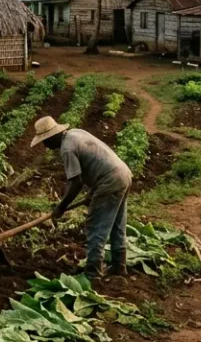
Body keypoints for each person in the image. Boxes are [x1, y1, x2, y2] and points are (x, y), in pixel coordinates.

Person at [30, 116, 133, 276]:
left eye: (44, 140)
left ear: (51, 136)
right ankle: (119, 265)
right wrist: (92, 193)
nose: (44, 145)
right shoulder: (75, 133)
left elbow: (76, 183)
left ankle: (93, 271)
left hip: (109, 180)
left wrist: (61, 207)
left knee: (96, 224)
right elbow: (96, 162)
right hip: (123, 173)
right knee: (117, 224)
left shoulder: (67, 149)